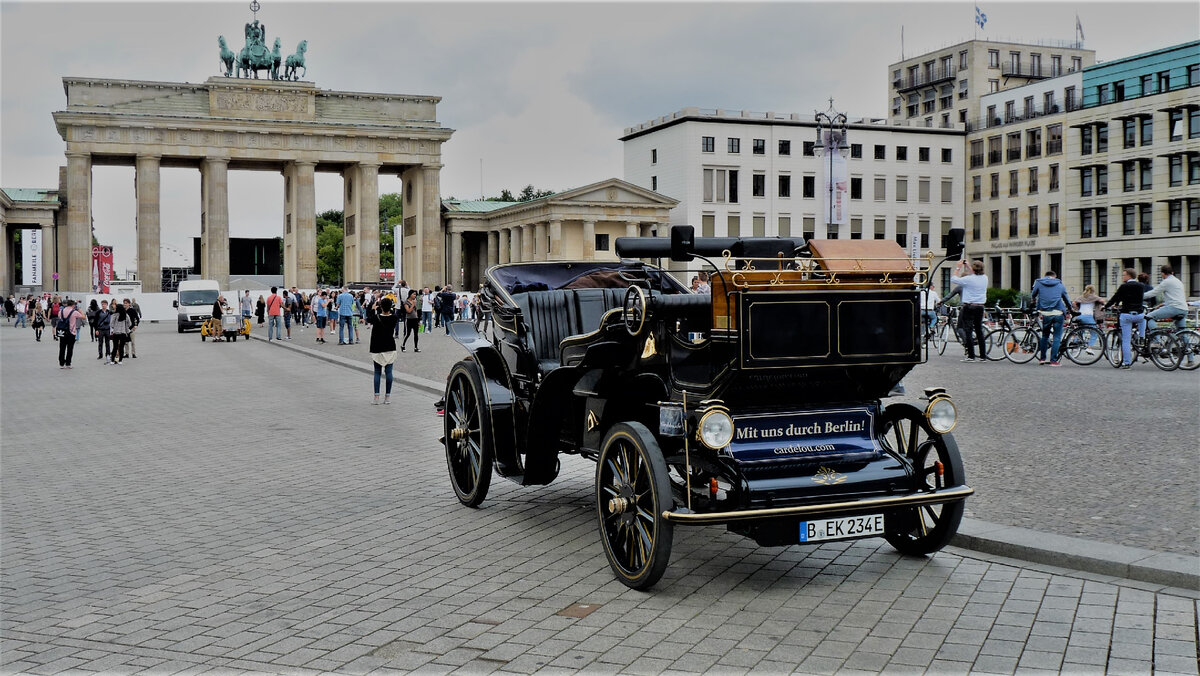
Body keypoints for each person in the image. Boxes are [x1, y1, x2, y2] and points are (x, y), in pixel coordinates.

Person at [1105, 268, 1146, 369]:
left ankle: (1127, 363)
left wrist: (1106, 306)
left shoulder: (1124, 286)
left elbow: (1116, 297)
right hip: (1139, 314)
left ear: (1129, 276)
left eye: (1124, 275)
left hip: (1127, 314)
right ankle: (1142, 337)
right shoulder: (1141, 286)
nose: (1122, 277)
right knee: (1143, 318)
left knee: (1126, 340)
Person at [1030, 270, 1072, 366]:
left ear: (1045, 276)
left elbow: (1033, 295)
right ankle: (1053, 360)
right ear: (1055, 276)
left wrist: (1033, 302)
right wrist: (1071, 309)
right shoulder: (1060, 284)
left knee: (1045, 336)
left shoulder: (1039, 283)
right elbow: (1066, 298)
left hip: (1045, 313)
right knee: (1057, 337)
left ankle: (1042, 359)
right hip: (1058, 312)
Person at [950, 259, 988, 362]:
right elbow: (975, 274)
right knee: (979, 330)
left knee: (968, 330)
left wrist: (958, 267)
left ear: (974, 269)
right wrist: (967, 266)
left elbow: (953, 279)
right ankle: (983, 356)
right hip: (980, 306)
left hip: (969, 306)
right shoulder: (985, 278)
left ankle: (971, 356)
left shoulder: (968, 279)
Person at [366, 297, 399, 404]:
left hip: (377, 346)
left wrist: (373, 308)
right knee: (389, 372)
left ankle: (376, 397)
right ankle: (387, 397)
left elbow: (368, 318)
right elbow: (394, 314)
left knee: (377, 372)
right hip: (389, 345)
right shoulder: (394, 318)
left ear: (380, 307)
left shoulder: (376, 317)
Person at [1143, 264, 1187, 330]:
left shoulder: (1166, 282)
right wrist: (1163, 304)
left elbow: (1154, 292)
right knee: (1182, 331)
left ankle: (1156, 338)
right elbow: (1176, 297)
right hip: (1184, 308)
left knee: (1149, 317)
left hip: (1174, 308)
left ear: (1163, 273)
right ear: (1172, 272)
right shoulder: (1178, 281)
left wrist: (1139, 296)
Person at [1072, 284, 1105, 349]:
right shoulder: (1093, 297)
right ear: (1093, 290)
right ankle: (1089, 348)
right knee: (1095, 332)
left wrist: (1077, 308)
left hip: (1079, 316)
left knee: (1080, 331)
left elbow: (1074, 303)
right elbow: (1102, 301)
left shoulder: (1081, 297)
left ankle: (1074, 343)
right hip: (1088, 317)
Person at [57, 300, 84, 369]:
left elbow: (59, 317)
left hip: (62, 331)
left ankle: (61, 363)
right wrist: (80, 311)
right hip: (71, 332)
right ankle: (68, 363)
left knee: (62, 348)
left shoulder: (61, 311)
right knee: (70, 348)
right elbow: (83, 317)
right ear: (73, 305)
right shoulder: (74, 312)